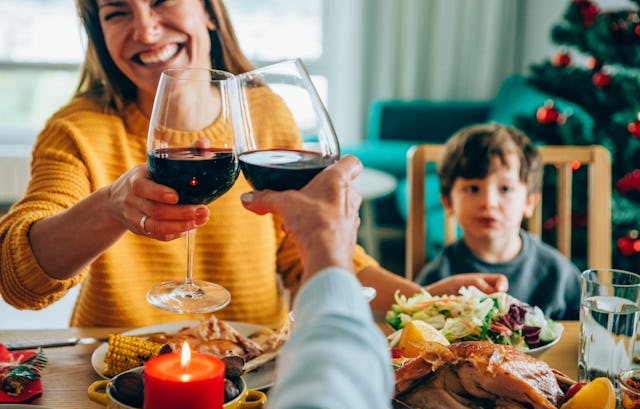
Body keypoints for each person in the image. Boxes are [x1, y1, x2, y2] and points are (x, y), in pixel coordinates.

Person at [0, 0, 505, 328]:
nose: (146, 29)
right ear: (99, 34)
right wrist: (111, 208)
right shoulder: (77, 129)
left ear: (209, 12)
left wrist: (425, 304)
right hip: (120, 377)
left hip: (257, 371)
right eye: (116, 12)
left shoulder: (264, 113)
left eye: (161, 1)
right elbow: (15, 277)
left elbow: (310, 254)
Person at [242, 155, 394, 409]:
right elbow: (342, 399)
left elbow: (297, 254)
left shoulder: (269, 115)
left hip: (264, 383)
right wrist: (324, 241)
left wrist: (425, 299)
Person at [416, 123, 581, 320]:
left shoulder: (558, 273)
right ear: (447, 202)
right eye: (473, 189)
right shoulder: (439, 277)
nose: (489, 203)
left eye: (505, 189)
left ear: (529, 202)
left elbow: (597, 333)